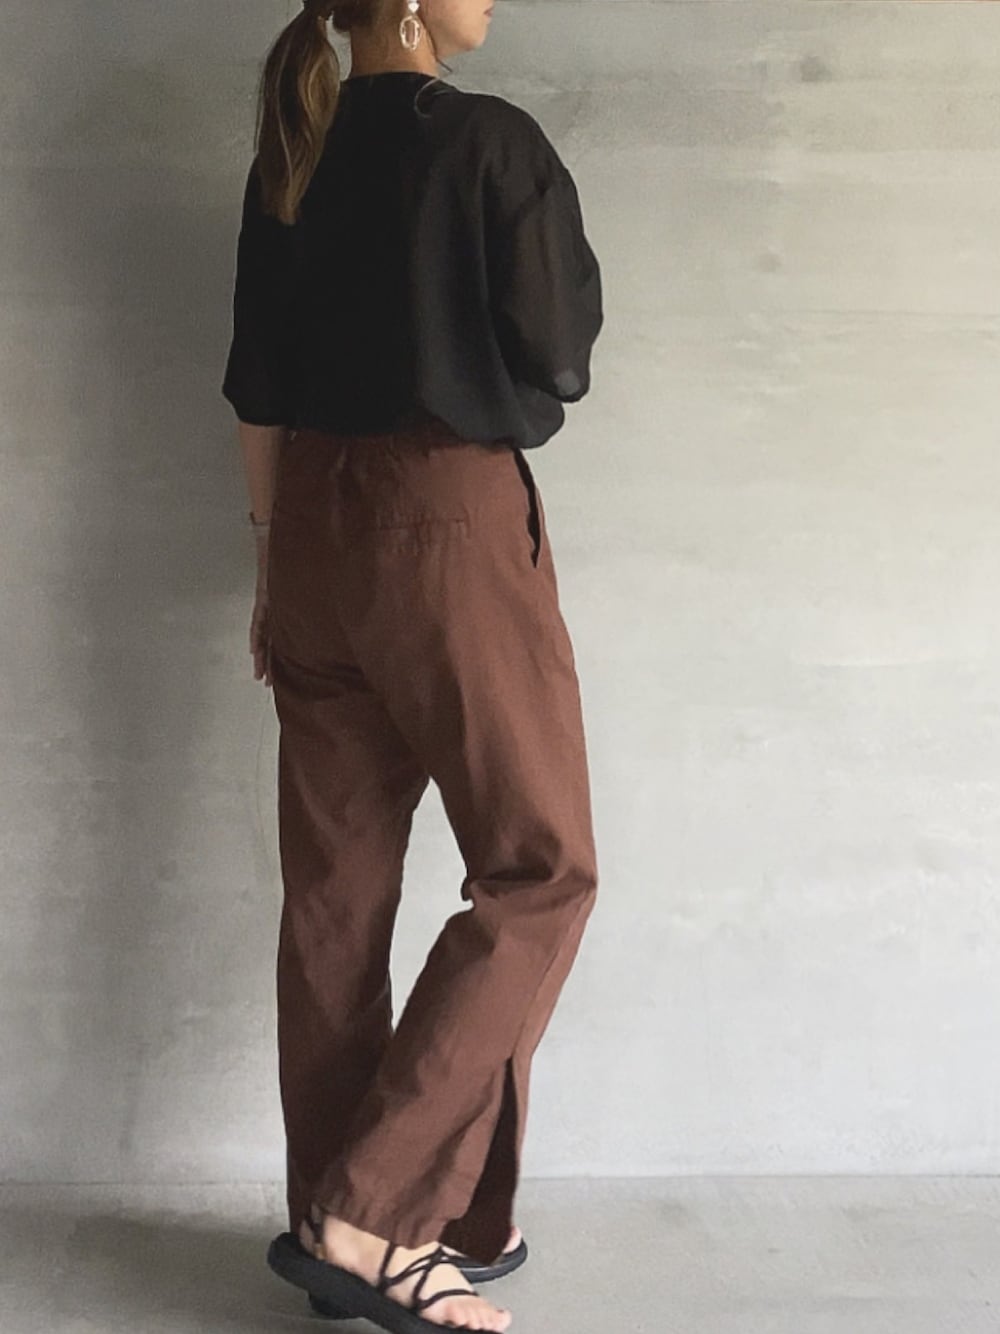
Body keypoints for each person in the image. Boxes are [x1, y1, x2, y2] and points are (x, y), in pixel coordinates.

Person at [220, 1, 603, 1330]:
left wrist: (272, 570)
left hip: (309, 537)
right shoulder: (489, 145)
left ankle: (342, 1225)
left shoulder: (292, 154)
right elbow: (560, 356)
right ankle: (376, 1215)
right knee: (542, 868)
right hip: (445, 523)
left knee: (334, 899)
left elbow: (257, 388)